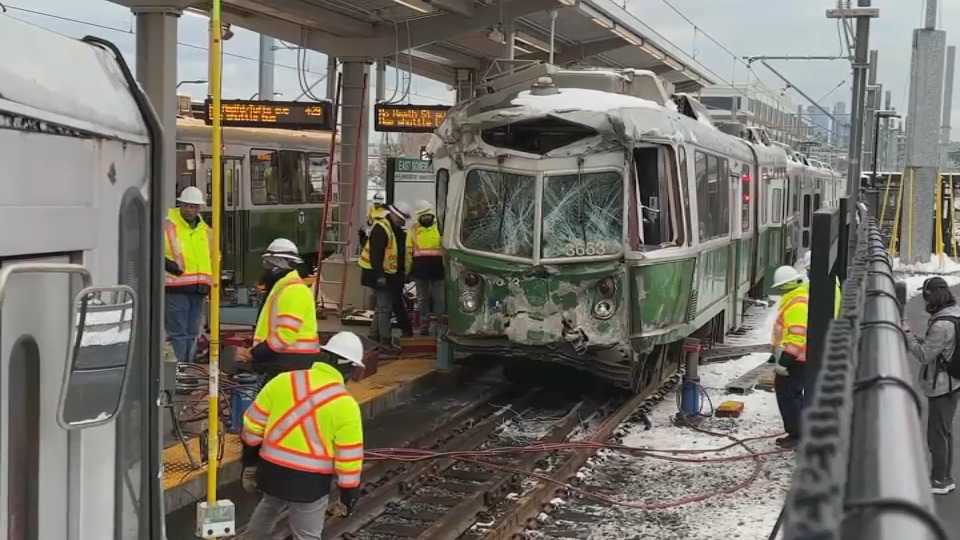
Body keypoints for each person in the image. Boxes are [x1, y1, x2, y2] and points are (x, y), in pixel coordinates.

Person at [241, 331, 366, 539]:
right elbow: (349, 457)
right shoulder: (345, 404)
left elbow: (252, 426)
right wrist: (348, 496)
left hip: (271, 470)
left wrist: (249, 462)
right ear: (350, 368)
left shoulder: (284, 381)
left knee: (269, 505)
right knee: (307, 535)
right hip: (310, 483)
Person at [904, 277, 960, 495]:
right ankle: (945, 477)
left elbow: (924, 355)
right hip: (954, 381)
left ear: (931, 295)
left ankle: (939, 480)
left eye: (925, 295)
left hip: (942, 385)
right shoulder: (954, 314)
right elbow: (940, 347)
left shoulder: (941, 324)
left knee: (937, 435)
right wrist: (918, 337)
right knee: (944, 431)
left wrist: (907, 335)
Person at [236, 239, 320, 380]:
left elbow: (285, 335)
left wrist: (254, 353)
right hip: (288, 359)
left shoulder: (293, 290)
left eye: (269, 263)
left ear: (279, 264)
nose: (266, 268)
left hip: (290, 361)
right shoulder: (284, 288)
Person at [164, 186, 213, 363]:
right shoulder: (168, 225)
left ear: (199, 208)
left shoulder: (205, 231)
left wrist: (211, 284)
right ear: (180, 204)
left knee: (192, 333)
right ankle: (179, 370)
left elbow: (212, 257)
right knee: (178, 334)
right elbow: (150, 249)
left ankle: (187, 368)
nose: (189, 209)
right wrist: (168, 265)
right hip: (175, 288)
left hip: (199, 289)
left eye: (193, 206)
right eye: (186, 205)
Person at [360, 202, 414, 353]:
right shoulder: (381, 229)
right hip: (379, 275)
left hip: (388, 274)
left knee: (381, 307)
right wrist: (380, 276)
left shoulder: (392, 229)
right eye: (402, 219)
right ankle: (385, 341)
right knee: (385, 308)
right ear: (395, 215)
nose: (403, 222)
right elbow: (375, 255)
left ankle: (374, 336)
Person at [769, 265, 809, 450]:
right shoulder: (796, 299)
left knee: (788, 397)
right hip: (797, 358)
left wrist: (785, 361)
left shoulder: (796, 304)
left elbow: (797, 337)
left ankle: (797, 436)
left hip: (795, 360)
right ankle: (799, 432)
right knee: (794, 396)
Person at [406, 200, 445, 336]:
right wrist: (407, 270)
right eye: (423, 215)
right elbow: (409, 251)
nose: (426, 217)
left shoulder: (440, 228)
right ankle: (424, 325)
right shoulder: (413, 230)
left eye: (428, 215)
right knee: (422, 299)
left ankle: (440, 326)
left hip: (438, 268)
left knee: (439, 298)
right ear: (419, 216)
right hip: (420, 268)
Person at [800, 251, 840, 317]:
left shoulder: (832, 289)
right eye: (807, 269)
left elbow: (833, 313)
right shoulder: (815, 285)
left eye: (810, 269)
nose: (808, 273)